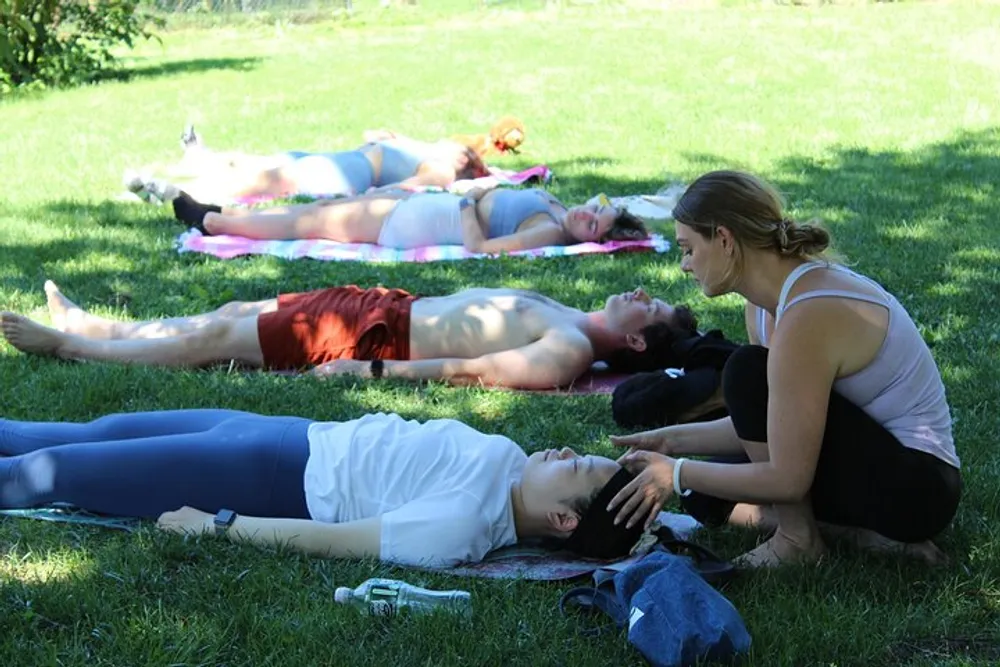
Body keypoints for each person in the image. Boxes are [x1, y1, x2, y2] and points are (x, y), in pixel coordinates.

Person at [606, 170, 961, 568]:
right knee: (704, 491)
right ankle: (862, 538)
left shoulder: (806, 314)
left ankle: (797, 538)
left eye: (688, 249)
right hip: (874, 464)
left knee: (742, 376)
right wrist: (672, 443)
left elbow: (788, 477)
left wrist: (676, 473)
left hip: (917, 488)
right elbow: (769, 424)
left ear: (724, 239)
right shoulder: (762, 307)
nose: (684, 265)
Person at [0, 410, 643, 566]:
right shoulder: (510, 463)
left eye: (576, 467)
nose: (564, 451)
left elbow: (337, 540)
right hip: (284, 432)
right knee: (86, 432)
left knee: (46, 473)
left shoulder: (464, 526)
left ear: (562, 520)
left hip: (261, 476)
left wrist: (217, 524)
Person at [0, 281, 698, 390]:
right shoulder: (575, 313)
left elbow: (478, 370)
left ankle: (69, 345)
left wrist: (371, 374)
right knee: (239, 305)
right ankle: (101, 326)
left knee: (214, 335)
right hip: (379, 303)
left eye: (650, 305)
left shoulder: (572, 349)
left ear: (636, 343)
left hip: (370, 334)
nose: (639, 291)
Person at [169, 186, 649, 253]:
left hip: (415, 226)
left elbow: (479, 248)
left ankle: (211, 223)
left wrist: (466, 202)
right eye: (596, 210)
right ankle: (220, 215)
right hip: (421, 205)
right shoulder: (558, 208)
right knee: (312, 211)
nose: (587, 217)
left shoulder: (545, 231)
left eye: (594, 227)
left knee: (307, 223)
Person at [128, 123, 502, 203]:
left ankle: (175, 192)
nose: (458, 147)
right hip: (338, 159)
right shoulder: (424, 149)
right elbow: (377, 133)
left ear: (468, 164)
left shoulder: (443, 167)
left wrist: (367, 197)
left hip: (351, 172)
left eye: (466, 153)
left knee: (263, 180)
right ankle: (197, 159)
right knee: (255, 165)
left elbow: (413, 187)